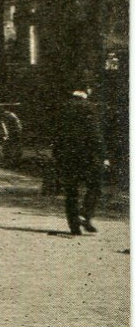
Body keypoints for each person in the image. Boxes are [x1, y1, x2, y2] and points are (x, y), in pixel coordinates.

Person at [54, 76, 106, 236]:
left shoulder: (63, 108)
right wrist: (103, 155)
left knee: (71, 191)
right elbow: (95, 134)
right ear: (87, 90)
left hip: (67, 156)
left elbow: (57, 134)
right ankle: (85, 214)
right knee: (95, 186)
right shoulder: (89, 107)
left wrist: (57, 155)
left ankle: (74, 225)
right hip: (87, 156)